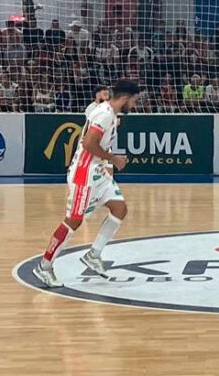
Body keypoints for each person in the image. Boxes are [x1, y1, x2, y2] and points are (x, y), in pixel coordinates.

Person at [32, 80, 140, 287]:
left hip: (98, 172)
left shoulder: (109, 113)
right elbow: (89, 143)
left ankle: (94, 254)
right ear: (125, 98)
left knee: (120, 208)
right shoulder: (104, 114)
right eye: (134, 101)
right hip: (85, 173)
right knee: (74, 220)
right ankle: (44, 266)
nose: (134, 106)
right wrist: (113, 158)